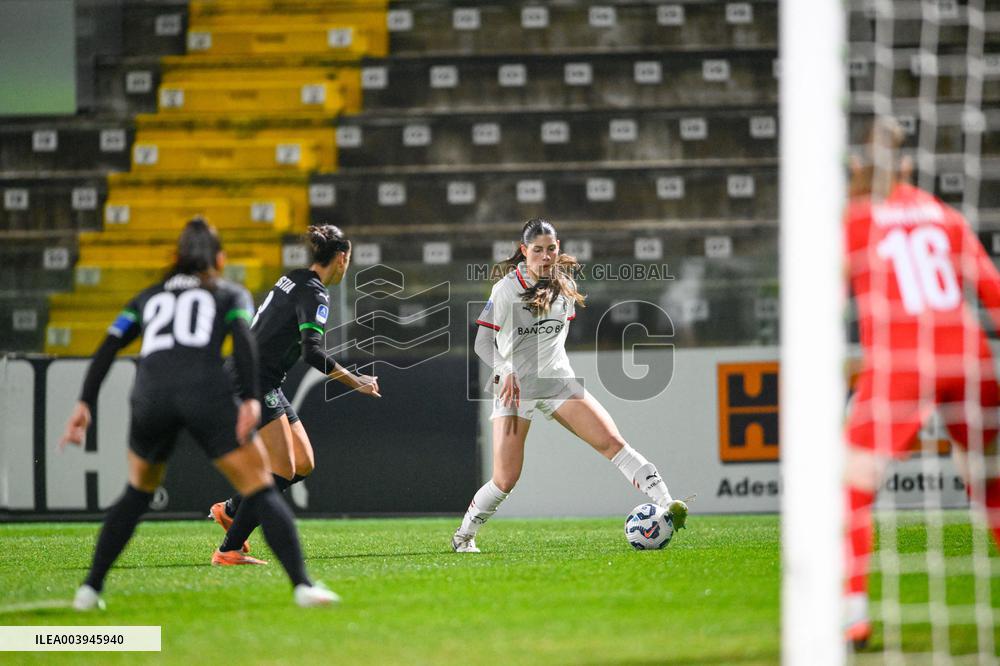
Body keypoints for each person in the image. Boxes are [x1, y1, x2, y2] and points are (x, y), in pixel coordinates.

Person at [59, 218, 337, 609]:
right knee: (262, 483)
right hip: (203, 393)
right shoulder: (227, 294)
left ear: (176, 257)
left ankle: (90, 590)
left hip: (150, 395)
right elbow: (243, 342)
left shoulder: (148, 296)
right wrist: (253, 402)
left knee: (136, 494)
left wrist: (83, 402)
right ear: (219, 259)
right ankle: (302, 586)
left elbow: (109, 346)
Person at [843, 117, 1000, 646]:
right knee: (990, 480)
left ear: (855, 168)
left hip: (903, 360)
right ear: (907, 165)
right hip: (968, 353)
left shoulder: (853, 220)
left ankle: (852, 613)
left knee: (849, 487)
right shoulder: (943, 214)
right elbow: (993, 294)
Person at [451, 218, 689, 553]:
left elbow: (553, 342)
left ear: (558, 249)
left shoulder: (563, 286)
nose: (545, 256)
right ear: (524, 252)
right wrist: (505, 369)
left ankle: (668, 504)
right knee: (505, 480)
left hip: (557, 381)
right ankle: (463, 536)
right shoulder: (506, 289)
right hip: (515, 389)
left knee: (612, 443)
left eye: (551, 249)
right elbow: (483, 342)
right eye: (537, 250)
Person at [208, 224, 380, 562]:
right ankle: (228, 550)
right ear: (342, 258)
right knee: (283, 469)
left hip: (263, 379)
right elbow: (311, 351)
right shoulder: (315, 293)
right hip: (252, 380)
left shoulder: (295, 277)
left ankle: (230, 509)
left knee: (303, 463)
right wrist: (356, 381)